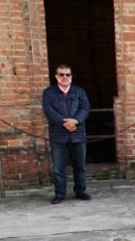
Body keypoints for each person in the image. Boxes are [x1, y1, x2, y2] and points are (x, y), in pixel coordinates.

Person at [42, 64, 91, 204]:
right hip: (58, 135)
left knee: (80, 165)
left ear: (71, 76)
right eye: (61, 74)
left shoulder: (79, 92)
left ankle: (80, 191)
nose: (64, 77)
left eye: (67, 74)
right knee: (58, 167)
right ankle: (60, 194)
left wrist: (76, 121)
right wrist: (65, 123)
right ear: (56, 76)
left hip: (78, 134)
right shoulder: (49, 93)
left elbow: (85, 108)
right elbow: (48, 110)